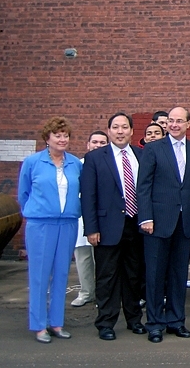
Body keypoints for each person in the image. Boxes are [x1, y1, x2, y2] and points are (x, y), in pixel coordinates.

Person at [137, 107, 190, 343]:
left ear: (189, 123)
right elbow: (143, 185)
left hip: (185, 222)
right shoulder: (153, 149)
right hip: (157, 223)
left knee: (179, 274)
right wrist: (145, 218)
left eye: (179, 121)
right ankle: (154, 323)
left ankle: (176, 321)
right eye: (171, 121)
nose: (174, 125)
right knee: (155, 275)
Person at [80, 112, 146, 340]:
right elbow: (88, 196)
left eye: (124, 127)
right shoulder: (96, 158)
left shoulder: (141, 155)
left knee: (134, 276)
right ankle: (106, 323)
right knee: (107, 277)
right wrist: (91, 229)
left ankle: (134, 320)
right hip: (107, 227)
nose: (120, 131)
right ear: (109, 131)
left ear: (131, 131)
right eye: (116, 127)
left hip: (135, 225)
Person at [18, 117, 82, 343]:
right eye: (58, 135)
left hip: (67, 224)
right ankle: (38, 325)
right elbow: (23, 193)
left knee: (62, 274)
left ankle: (56, 323)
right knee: (40, 275)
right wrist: (34, 211)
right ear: (47, 138)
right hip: (41, 224)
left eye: (66, 135)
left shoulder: (75, 164)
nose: (62, 139)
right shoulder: (32, 162)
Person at [71, 131, 108, 308]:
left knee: (102, 260)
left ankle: (102, 296)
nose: (98, 145)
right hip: (80, 218)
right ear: (88, 144)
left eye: (102, 142)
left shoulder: (109, 165)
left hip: (101, 219)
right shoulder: (78, 165)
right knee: (83, 258)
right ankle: (86, 292)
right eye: (95, 142)